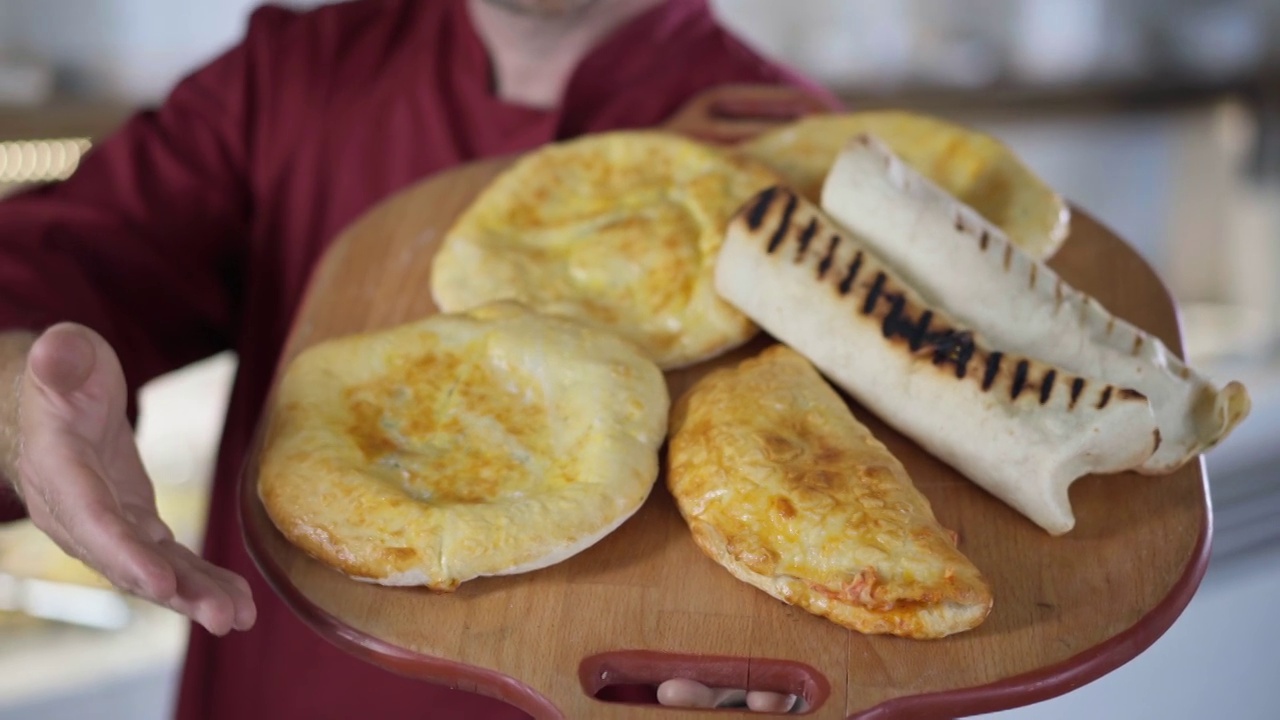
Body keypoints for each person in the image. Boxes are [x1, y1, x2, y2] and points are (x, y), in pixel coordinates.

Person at [0, 0, 839, 716]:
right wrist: (21, 401)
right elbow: (49, 269)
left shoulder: (802, 155)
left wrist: (805, 655)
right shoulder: (293, 79)